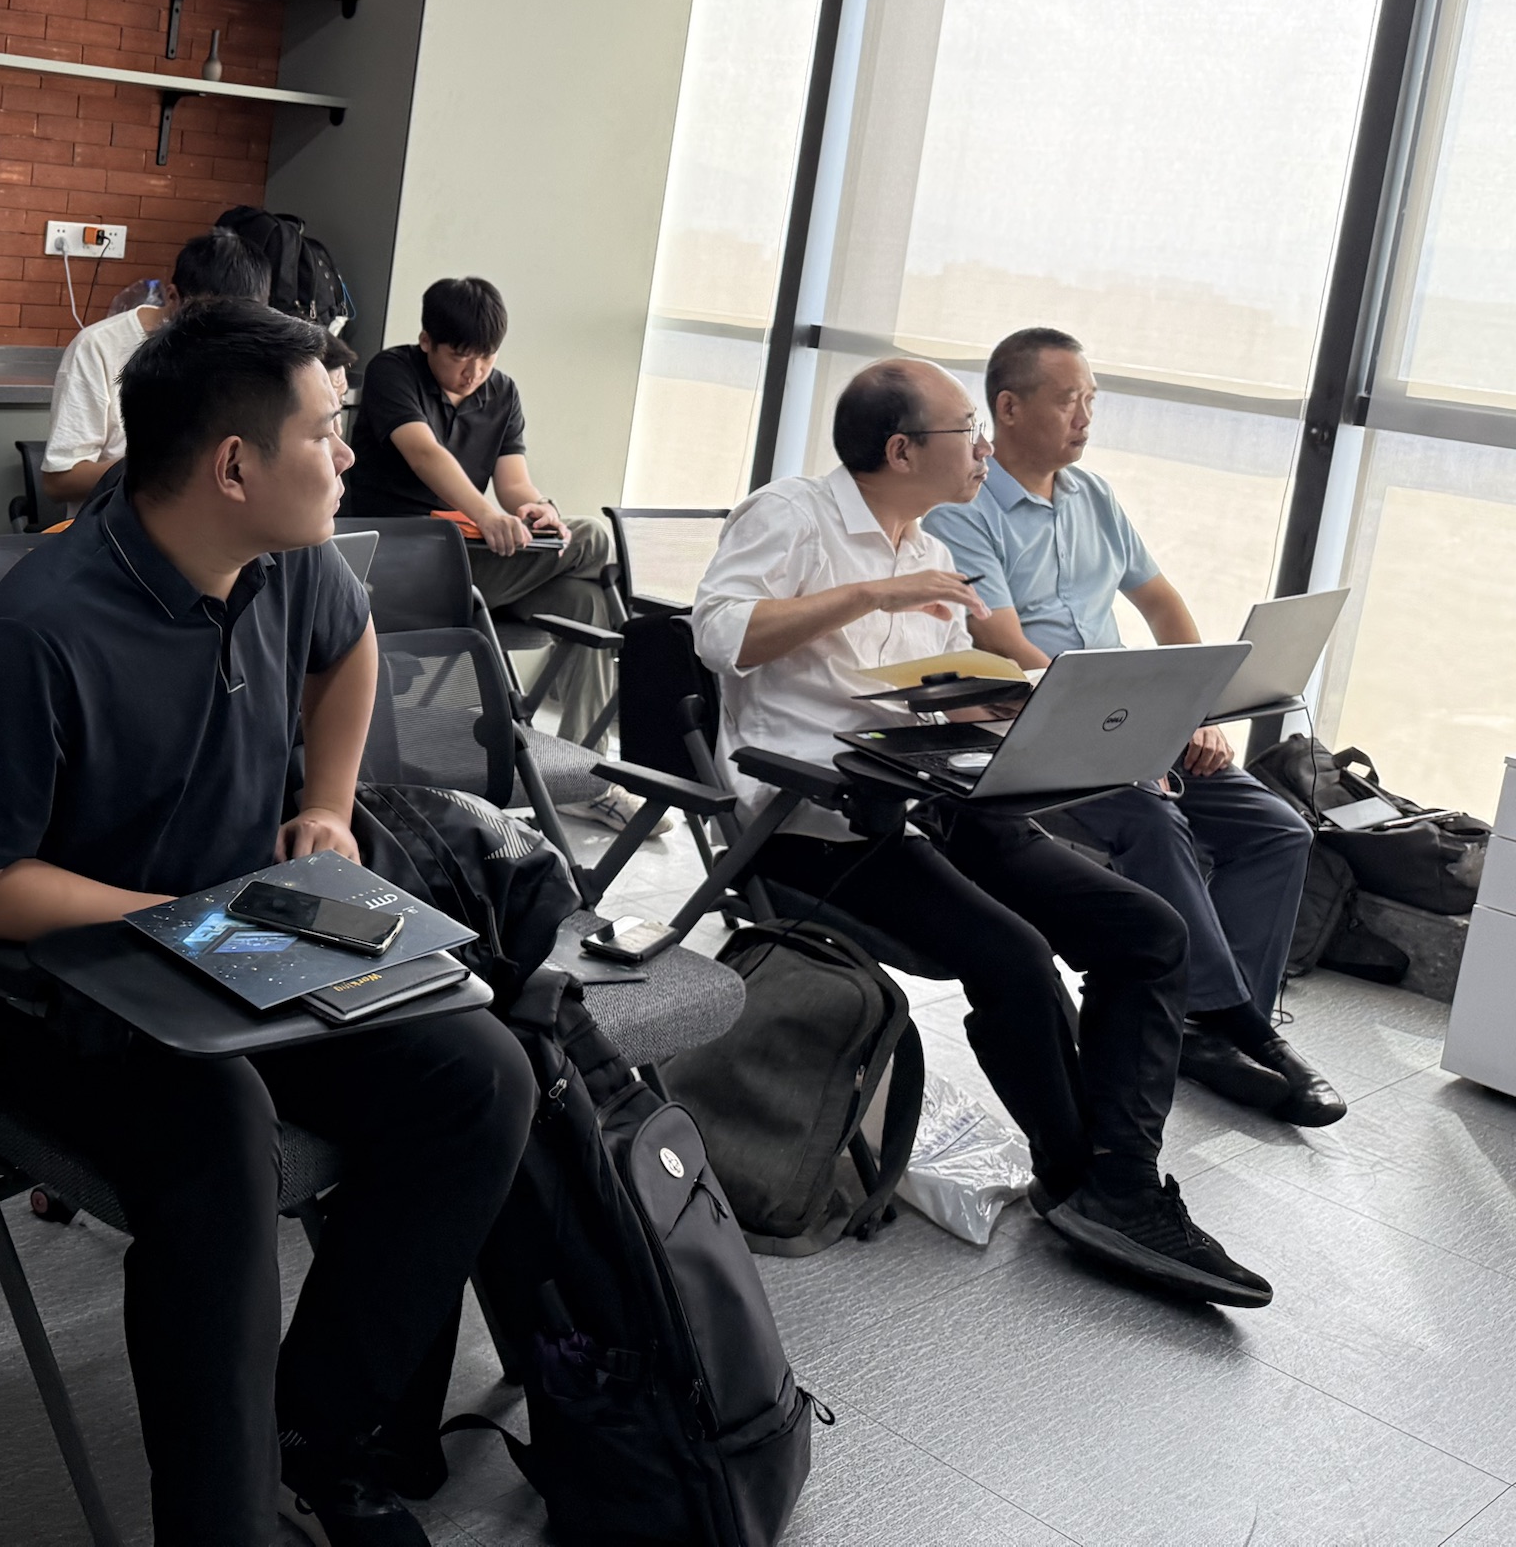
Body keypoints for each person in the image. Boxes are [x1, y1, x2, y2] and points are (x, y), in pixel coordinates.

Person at [0, 297, 533, 1547]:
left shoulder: (288, 556)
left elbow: (350, 652)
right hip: (78, 985)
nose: (348, 455)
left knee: (481, 1077)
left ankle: (318, 1435)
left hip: (242, 936)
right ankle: (224, 1522)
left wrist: (326, 806)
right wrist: (167, 914)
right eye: (326, 431)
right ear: (235, 466)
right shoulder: (41, 631)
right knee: (220, 1139)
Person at [695, 358, 1270, 1309]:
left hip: (937, 800)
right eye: (969, 431)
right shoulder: (792, 516)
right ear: (901, 450)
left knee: (1148, 932)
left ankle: (1118, 1182)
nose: (985, 449)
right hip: (819, 823)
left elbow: (936, 696)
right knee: (1015, 956)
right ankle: (1089, 1183)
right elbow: (720, 634)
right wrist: (870, 596)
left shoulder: (926, 547)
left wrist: (1040, 719)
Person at [928, 329, 1341, 1126]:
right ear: (1007, 408)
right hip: (1038, 730)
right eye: (1067, 400)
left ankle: (1204, 1026)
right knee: (1154, 819)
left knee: (1278, 830)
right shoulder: (965, 510)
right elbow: (1006, 645)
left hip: (1132, 718)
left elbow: (1161, 603)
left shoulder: (1094, 496)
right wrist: (1125, 733)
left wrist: (1194, 708)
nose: (1085, 417)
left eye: (1091, 400)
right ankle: (1242, 1029)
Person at [337, 276, 614, 740]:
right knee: (592, 537)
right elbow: (424, 453)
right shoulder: (394, 371)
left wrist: (538, 510)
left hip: (475, 561)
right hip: (403, 564)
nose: (475, 371)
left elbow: (514, 485)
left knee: (586, 602)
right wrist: (486, 515)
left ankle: (589, 762)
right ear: (427, 341)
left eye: (487, 357)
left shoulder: (502, 394)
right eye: (460, 357)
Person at [37, 229, 269, 506]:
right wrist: (167, 466)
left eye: (237, 325)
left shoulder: (255, 352)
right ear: (172, 297)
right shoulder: (99, 347)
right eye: (207, 321)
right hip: (118, 525)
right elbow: (60, 481)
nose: (220, 340)